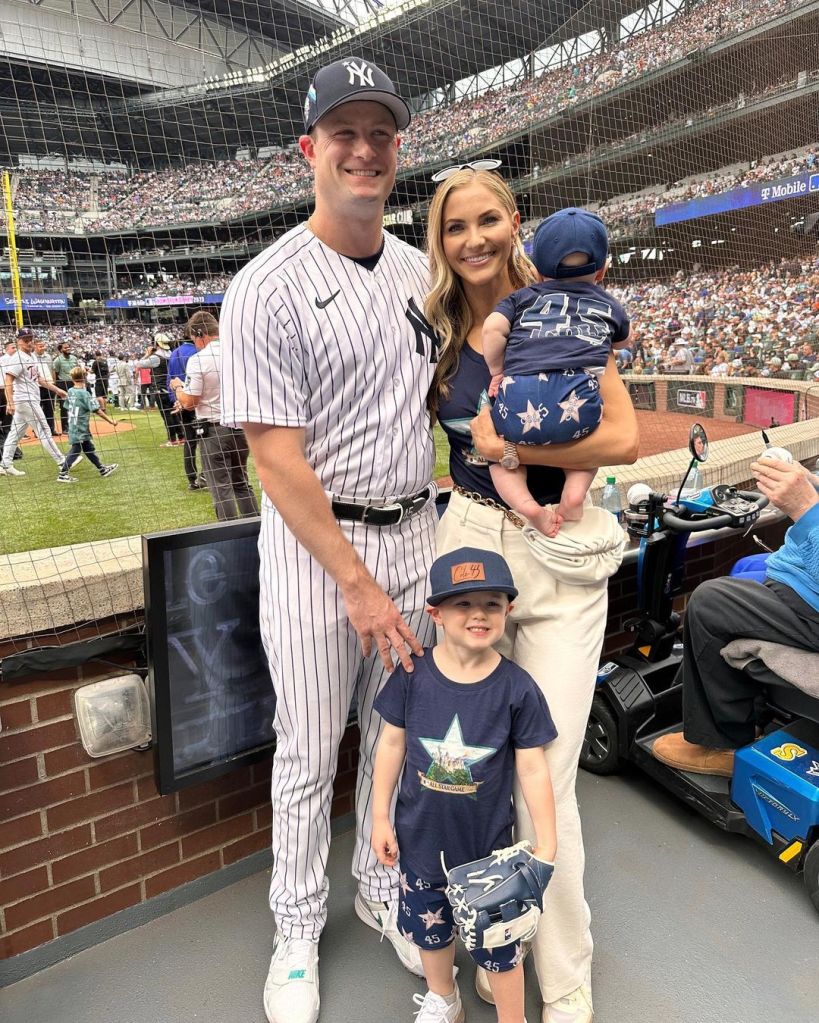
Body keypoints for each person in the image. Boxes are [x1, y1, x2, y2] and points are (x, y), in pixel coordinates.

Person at [219, 59, 440, 1023]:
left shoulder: (418, 270)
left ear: (397, 151)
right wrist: (356, 582)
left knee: (398, 732)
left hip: (417, 530)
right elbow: (277, 462)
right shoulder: (263, 286)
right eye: (342, 132)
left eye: (379, 133)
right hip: (322, 556)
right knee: (310, 753)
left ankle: (375, 885)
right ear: (307, 150)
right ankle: (296, 926)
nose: (363, 149)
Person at [426, 166, 638, 1023]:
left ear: (515, 223)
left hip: (556, 545)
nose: (472, 239)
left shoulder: (562, 299)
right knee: (470, 762)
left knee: (545, 769)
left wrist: (509, 444)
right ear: (438, 243)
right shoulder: (438, 327)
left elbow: (621, 435)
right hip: (472, 537)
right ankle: (494, 942)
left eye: (486, 220)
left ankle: (564, 970)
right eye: (453, 227)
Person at [371, 547, 558, 1023]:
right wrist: (378, 818)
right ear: (435, 612)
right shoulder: (412, 676)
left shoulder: (517, 688)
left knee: (501, 946)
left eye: (492, 604)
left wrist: (547, 840)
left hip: (488, 855)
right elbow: (390, 745)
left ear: (508, 611)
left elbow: (532, 767)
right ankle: (443, 997)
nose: (479, 614)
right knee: (429, 933)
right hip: (420, 843)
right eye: (462, 604)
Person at [652, 457, 819, 774]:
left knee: (708, 602)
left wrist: (806, 510)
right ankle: (743, 701)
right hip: (803, 582)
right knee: (744, 569)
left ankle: (723, 742)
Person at [482, 207, 630, 536]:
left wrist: (497, 370)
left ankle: (526, 507)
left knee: (501, 458)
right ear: (603, 270)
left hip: (516, 405)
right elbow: (623, 341)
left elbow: (493, 329)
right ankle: (574, 495)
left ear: (536, 271)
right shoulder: (607, 302)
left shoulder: (521, 297)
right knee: (589, 439)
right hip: (576, 405)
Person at [170, 311, 257, 516]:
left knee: (221, 489)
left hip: (214, 430)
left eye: (194, 339)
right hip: (241, 428)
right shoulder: (240, 354)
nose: (196, 344)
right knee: (242, 483)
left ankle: (231, 540)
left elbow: (190, 402)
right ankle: (253, 531)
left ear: (200, 334)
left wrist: (178, 388)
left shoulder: (200, 359)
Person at [1, 328, 67, 478]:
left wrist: (57, 390)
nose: (29, 341)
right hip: (26, 399)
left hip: (28, 399)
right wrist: (10, 403)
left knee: (15, 434)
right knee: (44, 430)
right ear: (18, 341)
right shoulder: (18, 357)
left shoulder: (30, 357)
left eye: (30, 338)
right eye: (25, 339)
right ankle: (62, 461)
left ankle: (5, 464)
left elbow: (38, 379)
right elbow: (8, 380)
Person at [57, 366, 119, 483]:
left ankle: (102, 469)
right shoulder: (84, 394)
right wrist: (110, 421)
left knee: (88, 448)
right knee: (76, 449)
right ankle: (63, 473)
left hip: (73, 424)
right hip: (80, 425)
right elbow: (96, 410)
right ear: (85, 377)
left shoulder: (70, 391)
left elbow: (66, 406)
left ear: (72, 378)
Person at [167, 325, 204, 489]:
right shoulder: (197, 352)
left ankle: (192, 479)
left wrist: (176, 400)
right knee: (206, 440)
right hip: (197, 401)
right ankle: (205, 476)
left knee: (190, 441)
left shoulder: (174, 353)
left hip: (180, 401)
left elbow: (170, 379)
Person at [52, 340, 78, 434]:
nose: (68, 349)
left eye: (68, 347)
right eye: (65, 347)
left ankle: (75, 426)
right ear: (61, 350)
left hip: (74, 383)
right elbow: (56, 373)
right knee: (64, 407)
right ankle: (65, 428)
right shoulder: (57, 360)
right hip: (63, 383)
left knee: (75, 405)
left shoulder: (74, 358)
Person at [34, 338, 58, 435]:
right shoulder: (31, 357)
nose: (43, 348)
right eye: (40, 346)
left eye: (43, 346)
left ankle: (51, 429)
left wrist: (54, 382)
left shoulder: (48, 357)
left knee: (50, 408)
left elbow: (52, 370)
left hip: (49, 385)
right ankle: (38, 431)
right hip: (37, 386)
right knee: (38, 409)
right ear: (35, 346)